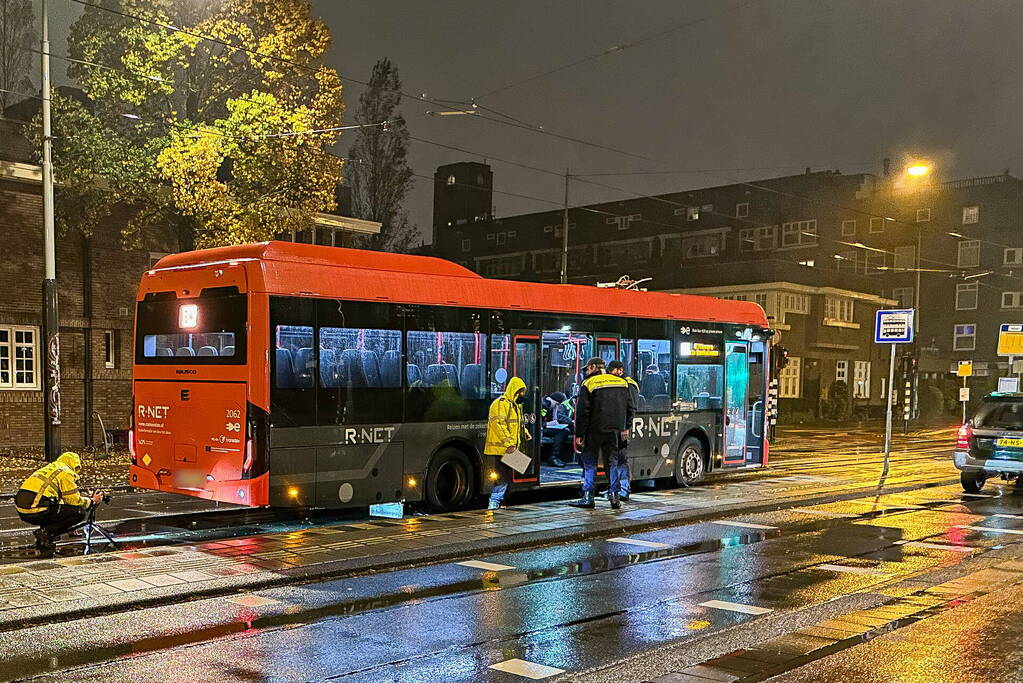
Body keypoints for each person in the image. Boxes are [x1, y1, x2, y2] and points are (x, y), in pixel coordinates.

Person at [569, 357, 635, 510]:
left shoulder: (589, 383)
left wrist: (579, 433)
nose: (586, 371)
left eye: (587, 368)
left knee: (590, 463)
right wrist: (625, 426)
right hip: (614, 431)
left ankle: (588, 497)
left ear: (593, 367)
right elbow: (630, 408)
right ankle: (615, 497)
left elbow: (583, 412)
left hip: (594, 430)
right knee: (612, 463)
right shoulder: (622, 382)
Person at [16, 452, 105, 555]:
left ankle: (44, 539)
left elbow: (60, 502)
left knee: (54, 510)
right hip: (37, 509)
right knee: (79, 513)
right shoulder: (66, 472)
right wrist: (92, 501)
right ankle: (45, 533)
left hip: (23, 509)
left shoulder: (50, 468)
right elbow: (73, 501)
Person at [485, 376, 531, 510]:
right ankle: (494, 502)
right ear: (514, 391)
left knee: (508, 476)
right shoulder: (501, 404)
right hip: (503, 449)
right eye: (521, 391)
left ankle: (503, 502)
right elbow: (498, 425)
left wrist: (525, 434)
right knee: (502, 476)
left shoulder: (515, 406)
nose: (523, 394)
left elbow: (516, 425)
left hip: (509, 448)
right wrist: (509, 444)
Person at [608, 360, 639, 502]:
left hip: (622, 429)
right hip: (615, 427)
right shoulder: (620, 383)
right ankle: (617, 488)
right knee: (617, 459)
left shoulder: (628, 384)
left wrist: (626, 427)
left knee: (621, 459)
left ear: (620, 370)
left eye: (612, 371)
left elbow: (631, 408)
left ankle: (624, 489)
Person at [541, 391, 573, 467]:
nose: (557, 407)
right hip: (541, 429)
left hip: (546, 428)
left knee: (564, 430)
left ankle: (554, 456)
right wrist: (547, 424)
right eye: (557, 404)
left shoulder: (551, 406)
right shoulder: (543, 405)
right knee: (562, 432)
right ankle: (553, 457)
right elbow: (537, 422)